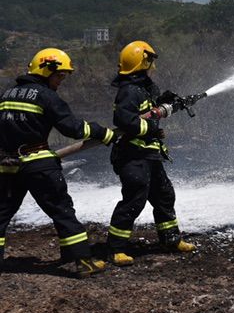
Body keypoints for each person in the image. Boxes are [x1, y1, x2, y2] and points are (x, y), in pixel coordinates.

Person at [0, 48, 115, 277]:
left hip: (7, 165)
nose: (60, 81)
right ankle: (82, 261)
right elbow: (71, 127)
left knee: (1, 213)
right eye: (59, 76)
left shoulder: (6, 95)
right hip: (38, 164)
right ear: (47, 70)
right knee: (62, 211)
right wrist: (100, 132)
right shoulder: (45, 96)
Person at [107, 40, 195, 266]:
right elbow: (123, 120)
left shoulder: (143, 89)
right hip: (132, 155)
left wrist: (165, 102)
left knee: (164, 195)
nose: (153, 66)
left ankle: (170, 239)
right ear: (143, 62)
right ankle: (116, 249)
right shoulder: (129, 91)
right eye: (150, 61)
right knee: (134, 199)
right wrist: (151, 128)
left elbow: (150, 110)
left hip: (149, 154)